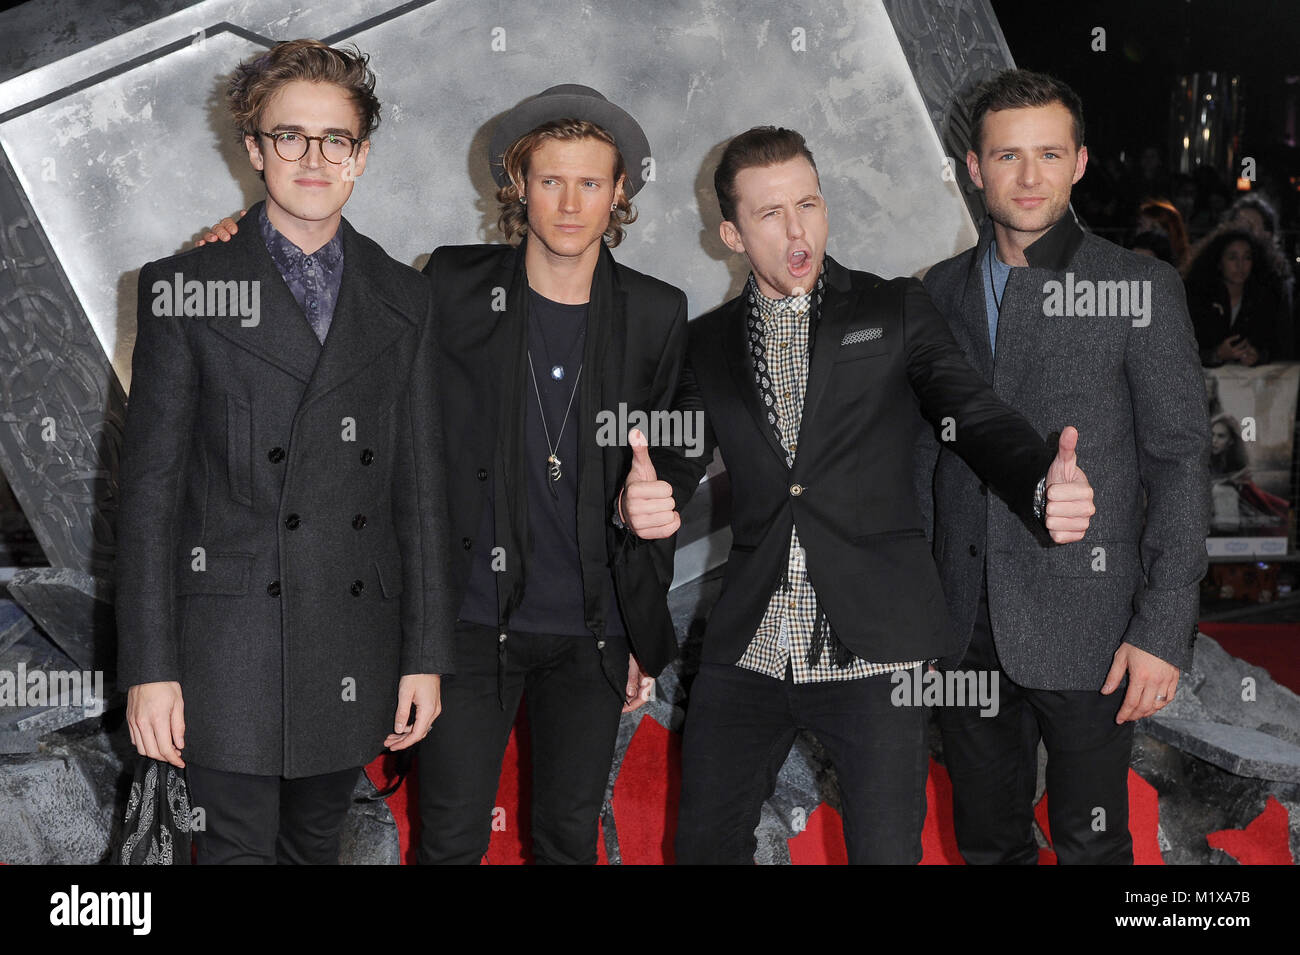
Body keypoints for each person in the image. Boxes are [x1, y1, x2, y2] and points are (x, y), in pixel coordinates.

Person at [627, 125, 1096, 865]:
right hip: (750, 645)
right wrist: (645, 504)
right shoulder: (706, 342)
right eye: (770, 213)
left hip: (875, 650)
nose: (796, 229)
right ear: (730, 232)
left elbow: (969, 412)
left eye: (808, 204)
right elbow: (674, 466)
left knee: (885, 852)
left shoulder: (893, 310)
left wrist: (1039, 481)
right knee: (702, 848)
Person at [117, 39, 452, 864]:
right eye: (289, 136)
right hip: (225, 639)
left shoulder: (405, 297)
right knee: (232, 850)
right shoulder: (185, 286)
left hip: (350, 633)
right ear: (255, 148)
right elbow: (149, 497)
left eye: (334, 139)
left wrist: (425, 656)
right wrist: (148, 668)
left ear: (361, 156)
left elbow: (420, 490)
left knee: (315, 845)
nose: (313, 157)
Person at [919, 69, 1210, 865]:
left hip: (1092, 626)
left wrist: (1163, 628)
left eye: (1049, 154)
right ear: (973, 168)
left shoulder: (1136, 287)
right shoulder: (934, 294)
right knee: (986, 839)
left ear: (1079, 163)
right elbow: (921, 463)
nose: (1028, 176)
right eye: (1006, 156)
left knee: (1090, 843)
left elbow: (1181, 462)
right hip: (962, 623)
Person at [1183, 223, 1292, 365]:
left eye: (1247, 258)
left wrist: (1259, 356)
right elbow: (1181, 352)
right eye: (1232, 257)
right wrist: (1216, 355)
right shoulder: (1197, 297)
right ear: (1219, 262)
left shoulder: (1265, 298)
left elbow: (1281, 347)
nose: (1240, 265)